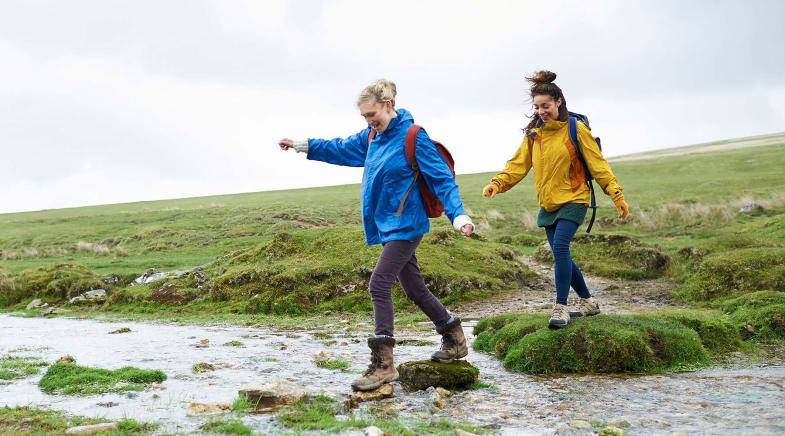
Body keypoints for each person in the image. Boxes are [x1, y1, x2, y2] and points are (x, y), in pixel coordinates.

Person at [278, 79, 475, 391]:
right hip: (386, 226)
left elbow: (441, 180)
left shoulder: (413, 137)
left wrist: (458, 215)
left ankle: (384, 364)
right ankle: (454, 337)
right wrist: (303, 144)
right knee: (414, 289)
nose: (370, 121)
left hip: (407, 226)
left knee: (379, 283)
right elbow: (340, 148)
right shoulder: (371, 137)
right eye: (364, 117)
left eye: (373, 114)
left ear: (389, 105)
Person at [482, 70, 629, 329]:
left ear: (559, 101)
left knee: (560, 248)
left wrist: (616, 194)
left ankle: (560, 308)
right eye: (537, 107)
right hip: (548, 204)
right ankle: (589, 302)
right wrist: (498, 183)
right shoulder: (534, 135)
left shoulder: (576, 130)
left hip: (574, 198)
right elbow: (518, 164)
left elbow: (598, 165)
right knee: (562, 255)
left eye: (546, 106)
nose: (541, 111)